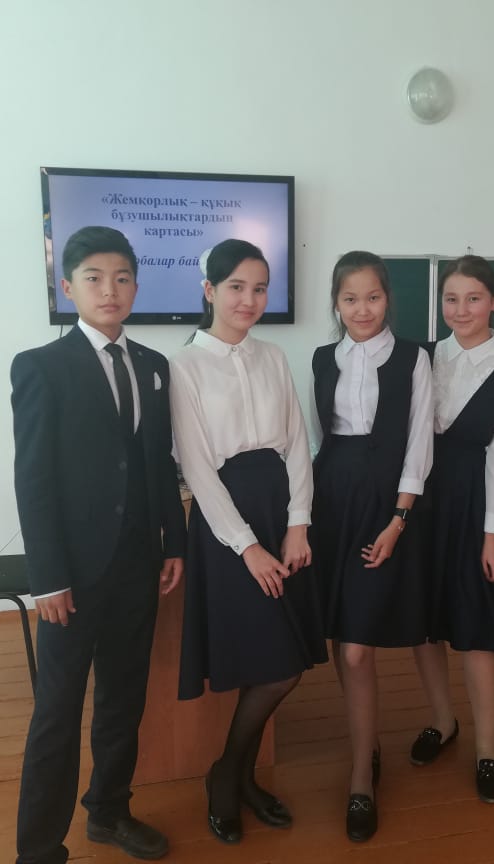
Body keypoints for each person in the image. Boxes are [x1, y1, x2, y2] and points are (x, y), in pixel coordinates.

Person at [11, 226, 187, 864]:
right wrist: (48, 578)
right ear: (68, 288)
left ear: (136, 287)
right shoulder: (41, 366)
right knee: (57, 712)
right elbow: (33, 479)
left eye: (121, 278)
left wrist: (174, 542)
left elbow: (158, 462)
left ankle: (108, 811)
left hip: (138, 565)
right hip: (73, 577)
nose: (109, 290)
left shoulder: (154, 366)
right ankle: (38, 849)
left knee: (123, 699)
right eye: (93, 278)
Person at [169, 238, 327, 844]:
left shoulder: (274, 356)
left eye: (260, 288)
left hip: (280, 513)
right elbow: (197, 468)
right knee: (275, 664)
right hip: (227, 526)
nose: (249, 299)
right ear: (210, 290)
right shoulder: (184, 366)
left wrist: (298, 522)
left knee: (285, 661)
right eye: (236, 287)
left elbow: (297, 443)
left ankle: (235, 775)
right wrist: (248, 545)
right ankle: (228, 776)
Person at [310, 251, 433, 841]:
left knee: (359, 649)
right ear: (336, 303)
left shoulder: (414, 357)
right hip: (332, 503)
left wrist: (397, 520)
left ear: (388, 298)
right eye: (350, 298)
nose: (362, 309)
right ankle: (369, 744)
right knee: (342, 633)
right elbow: (318, 438)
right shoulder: (321, 358)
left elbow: (419, 445)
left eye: (373, 297)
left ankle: (361, 777)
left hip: (385, 506)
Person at [408, 254, 494, 805]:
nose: (461, 310)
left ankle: (487, 748)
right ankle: (443, 720)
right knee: (425, 625)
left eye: (473, 298)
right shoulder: (424, 357)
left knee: (478, 630)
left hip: (474, 505)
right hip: (422, 502)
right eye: (451, 299)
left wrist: (493, 535)